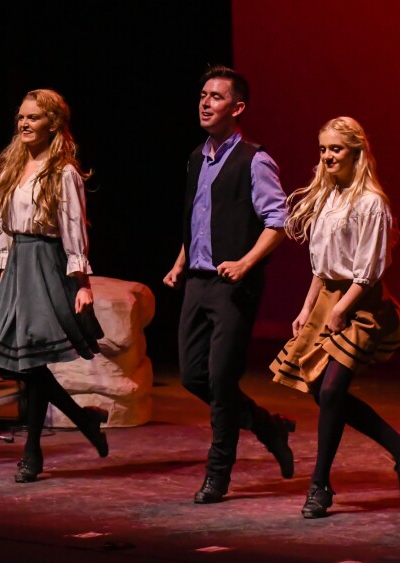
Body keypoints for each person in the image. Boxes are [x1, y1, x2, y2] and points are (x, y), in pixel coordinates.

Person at [271, 117, 400, 519]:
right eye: (323, 149)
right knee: (323, 390)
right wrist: (308, 309)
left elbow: (369, 270)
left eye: (336, 149)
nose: (327, 157)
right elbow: (321, 268)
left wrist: (340, 310)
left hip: (362, 303)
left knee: (331, 391)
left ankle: (319, 486)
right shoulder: (328, 197)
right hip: (329, 300)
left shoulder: (370, 202)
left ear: (356, 152)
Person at [163, 65, 295, 504]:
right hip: (197, 281)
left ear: (237, 108)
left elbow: (279, 221)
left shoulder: (254, 160)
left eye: (216, 97)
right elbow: (196, 220)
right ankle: (264, 425)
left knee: (220, 380)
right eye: (202, 94)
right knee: (193, 376)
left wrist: (246, 262)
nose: (205, 102)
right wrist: (180, 262)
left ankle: (217, 474)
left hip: (232, 285)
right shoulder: (195, 157)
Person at [0, 89, 107, 483]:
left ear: (53, 123)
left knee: (31, 362)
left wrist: (82, 282)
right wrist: (4, 266)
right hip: (18, 266)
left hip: (46, 264)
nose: (24, 123)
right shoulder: (14, 166)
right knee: (22, 364)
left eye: (33, 117)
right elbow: (4, 226)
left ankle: (32, 451)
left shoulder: (62, 172)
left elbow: (72, 228)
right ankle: (84, 420)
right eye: (22, 117)